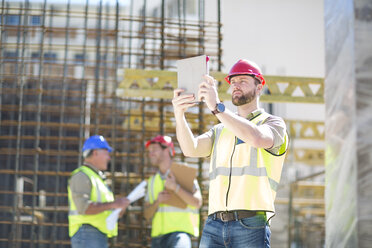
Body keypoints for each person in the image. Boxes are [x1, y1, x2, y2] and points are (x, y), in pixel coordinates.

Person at [172, 59, 288, 247]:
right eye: (233, 82)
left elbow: (257, 139)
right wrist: (179, 115)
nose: (236, 86)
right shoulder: (220, 129)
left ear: (259, 87)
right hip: (214, 224)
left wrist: (217, 107)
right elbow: (190, 149)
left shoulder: (273, 123)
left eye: (243, 81)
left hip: (251, 224)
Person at [68, 135, 130, 248]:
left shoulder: (98, 178)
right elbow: (84, 207)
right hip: (87, 233)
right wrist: (114, 204)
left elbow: (106, 208)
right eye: (106, 153)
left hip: (96, 234)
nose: (109, 158)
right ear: (95, 153)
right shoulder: (82, 176)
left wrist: (118, 209)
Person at [144, 135, 202, 248]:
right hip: (157, 239)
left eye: (154, 150)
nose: (150, 153)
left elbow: (197, 203)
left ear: (168, 150)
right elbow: (147, 214)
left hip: (179, 235)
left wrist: (176, 188)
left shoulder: (183, 172)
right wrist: (157, 202)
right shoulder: (151, 181)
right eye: (149, 151)